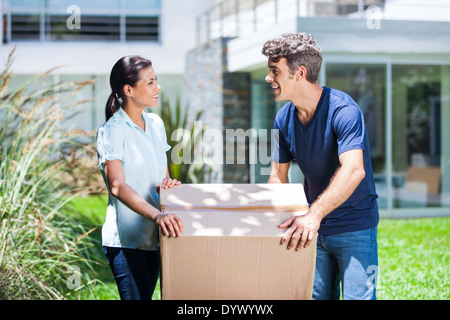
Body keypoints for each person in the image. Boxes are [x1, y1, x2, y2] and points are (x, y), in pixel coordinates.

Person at [262, 33, 379, 300]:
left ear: (299, 73)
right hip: (311, 230)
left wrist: (313, 215)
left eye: (275, 71)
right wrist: (282, 219)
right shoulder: (283, 118)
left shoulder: (343, 110)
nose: (269, 78)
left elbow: (353, 170)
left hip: (355, 226)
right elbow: (278, 175)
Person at [96, 55, 184, 300]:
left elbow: (162, 178)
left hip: (154, 237)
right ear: (129, 90)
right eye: (150, 82)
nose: (158, 87)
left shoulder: (156, 124)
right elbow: (117, 185)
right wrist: (158, 215)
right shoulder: (112, 131)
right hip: (126, 242)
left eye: (156, 80)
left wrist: (169, 185)